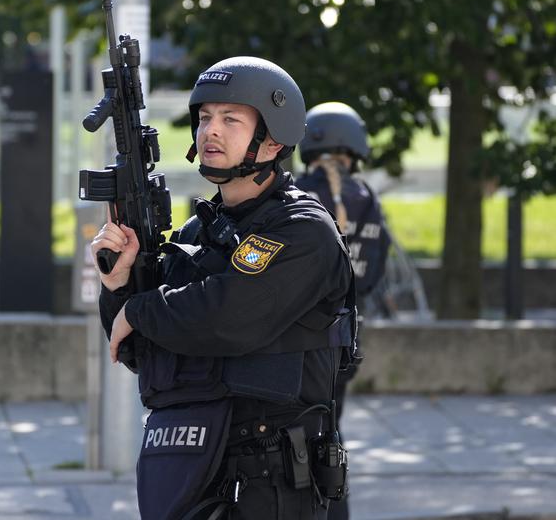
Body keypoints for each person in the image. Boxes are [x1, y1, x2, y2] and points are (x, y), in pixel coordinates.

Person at [91, 57, 357, 519]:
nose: (210, 131)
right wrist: (118, 286)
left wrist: (137, 310)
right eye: (206, 117)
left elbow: (227, 317)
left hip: (268, 485)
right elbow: (139, 352)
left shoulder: (303, 231)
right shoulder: (199, 232)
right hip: (189, 471)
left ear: (273, 138)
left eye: (230, 119)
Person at [295, 102, 391, 520]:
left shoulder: (295, 194)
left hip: (298, 343)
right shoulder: (368, 198)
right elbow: (373, 273)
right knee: (330, 433)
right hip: (347, 342)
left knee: (290, 439)